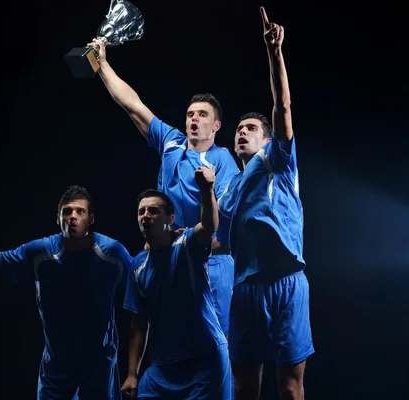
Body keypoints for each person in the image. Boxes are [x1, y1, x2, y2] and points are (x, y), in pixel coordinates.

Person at [89, 37, 240, 337]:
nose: (194, 119)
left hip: (212, 262)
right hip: (168, 257)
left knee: (215, 346)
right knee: (170, 339)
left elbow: (221, 222)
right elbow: (132, 104)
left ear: (216, 126)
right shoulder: (171, 142)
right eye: (190, 114)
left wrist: (188, 238)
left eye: (203, 115)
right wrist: (102, 64)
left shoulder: (224, 162)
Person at [216, 7, 314, 400]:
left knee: (289, 386)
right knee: (243, 386)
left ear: (266, 138)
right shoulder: (228, 189)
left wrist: (276, 54)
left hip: (286, 281)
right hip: (246, 289)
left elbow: (283, 108)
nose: (242, 132)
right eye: (238, 128)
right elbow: (222, 242)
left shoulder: (276, 158)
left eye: (250, 128)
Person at [0, 185, 133, 400]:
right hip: (57, 364)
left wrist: (158, 246)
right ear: (58, 218)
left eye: (79, 211)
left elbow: (139, 278)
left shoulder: (112, 252)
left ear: (91, 219)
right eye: (67, 211)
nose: (72, 217)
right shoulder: (40, 251)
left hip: (99, 362)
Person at [120, 167, 231, 400]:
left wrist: (207, 189)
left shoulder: (187, 244)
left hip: (205, 360)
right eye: (141, 212)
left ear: (170, 218)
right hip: (163, 368)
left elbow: (209, 226)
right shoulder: (137, 266)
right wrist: (132, 373)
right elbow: (139, 323)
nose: (146, 216)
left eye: (153, 210)